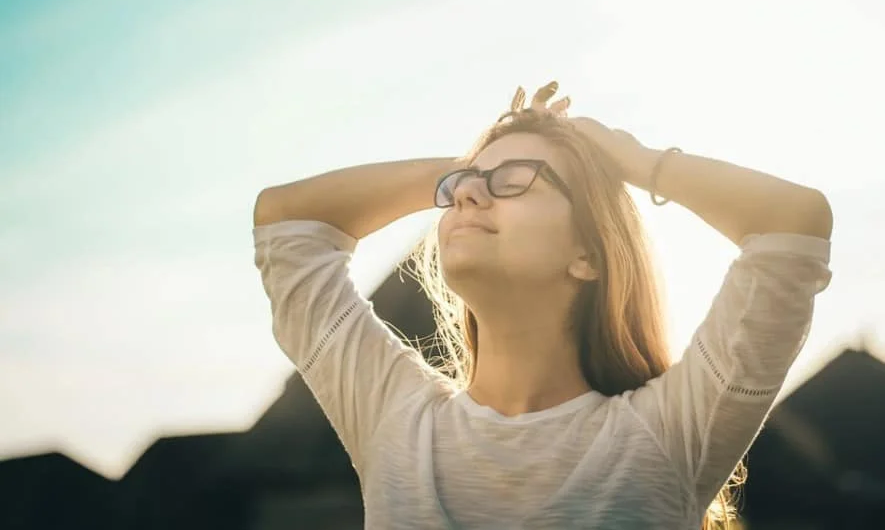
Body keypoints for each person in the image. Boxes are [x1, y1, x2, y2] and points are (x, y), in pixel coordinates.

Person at [252, 81, 833, 529]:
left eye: (516, 179)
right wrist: (464, 166)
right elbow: (287, 220)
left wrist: (629, 159)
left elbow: (792, 223)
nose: (469, 194)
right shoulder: (394, 418)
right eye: (461, 187)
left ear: (589, 255)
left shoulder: (668, 432)